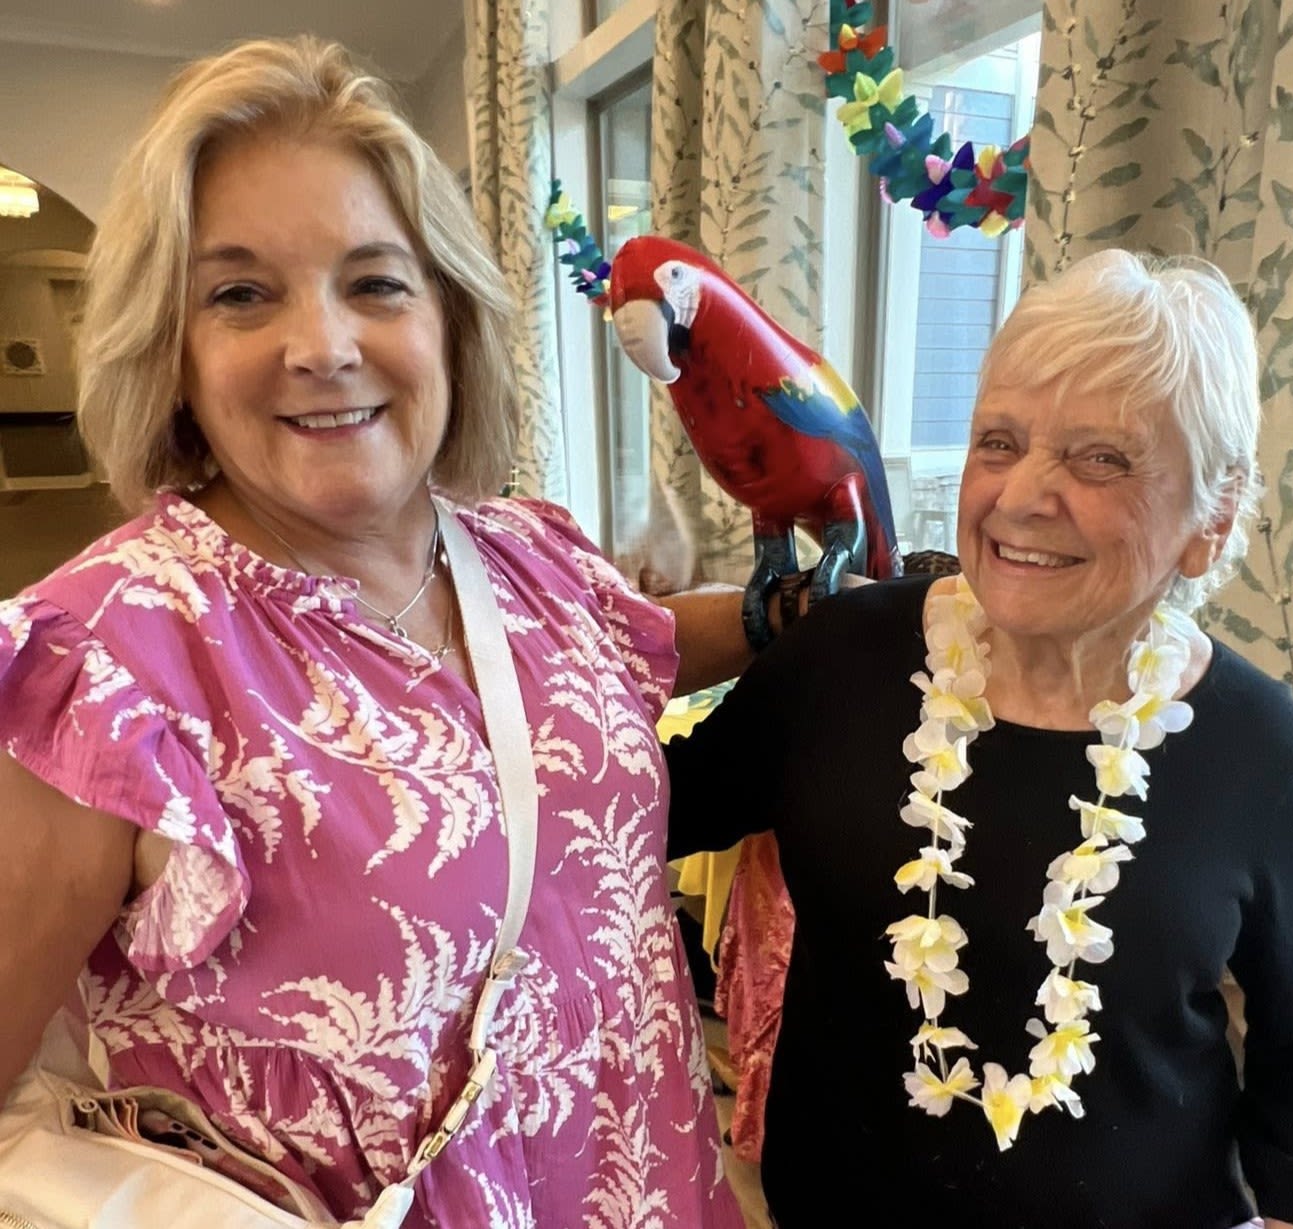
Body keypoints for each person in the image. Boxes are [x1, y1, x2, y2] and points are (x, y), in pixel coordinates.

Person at [0, 38, 747, 1226]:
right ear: (173, 351)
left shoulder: (531, 555)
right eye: (240, 293)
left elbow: (639, 646)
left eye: (375, 281)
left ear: (449, 314)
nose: (323, 345)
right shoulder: (108, 664)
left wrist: (800, 613)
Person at [667, 250, 1293, 1229]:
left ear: (1209, 519)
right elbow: (628, 814)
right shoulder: (839, 659)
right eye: (999, 441)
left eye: (1102, 457)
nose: (1022, 496)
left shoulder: (1256, 741)